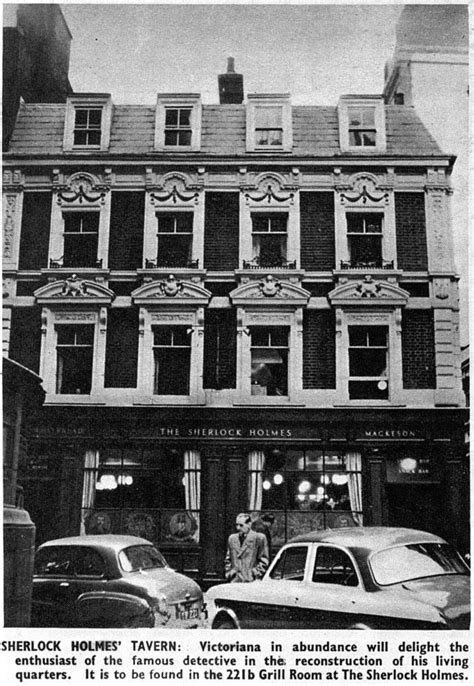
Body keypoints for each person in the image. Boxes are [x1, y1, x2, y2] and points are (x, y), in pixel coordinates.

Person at [225, 513, 269, 583]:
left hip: (251, 581)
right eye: (237, 525)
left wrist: (255, 573)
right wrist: (230, 573)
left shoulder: (259, 538)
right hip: (235, 580)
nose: (238, 528)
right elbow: (228, 559)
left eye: (241, 525)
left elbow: (264, 560)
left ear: (249, 524)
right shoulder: (232, 539)